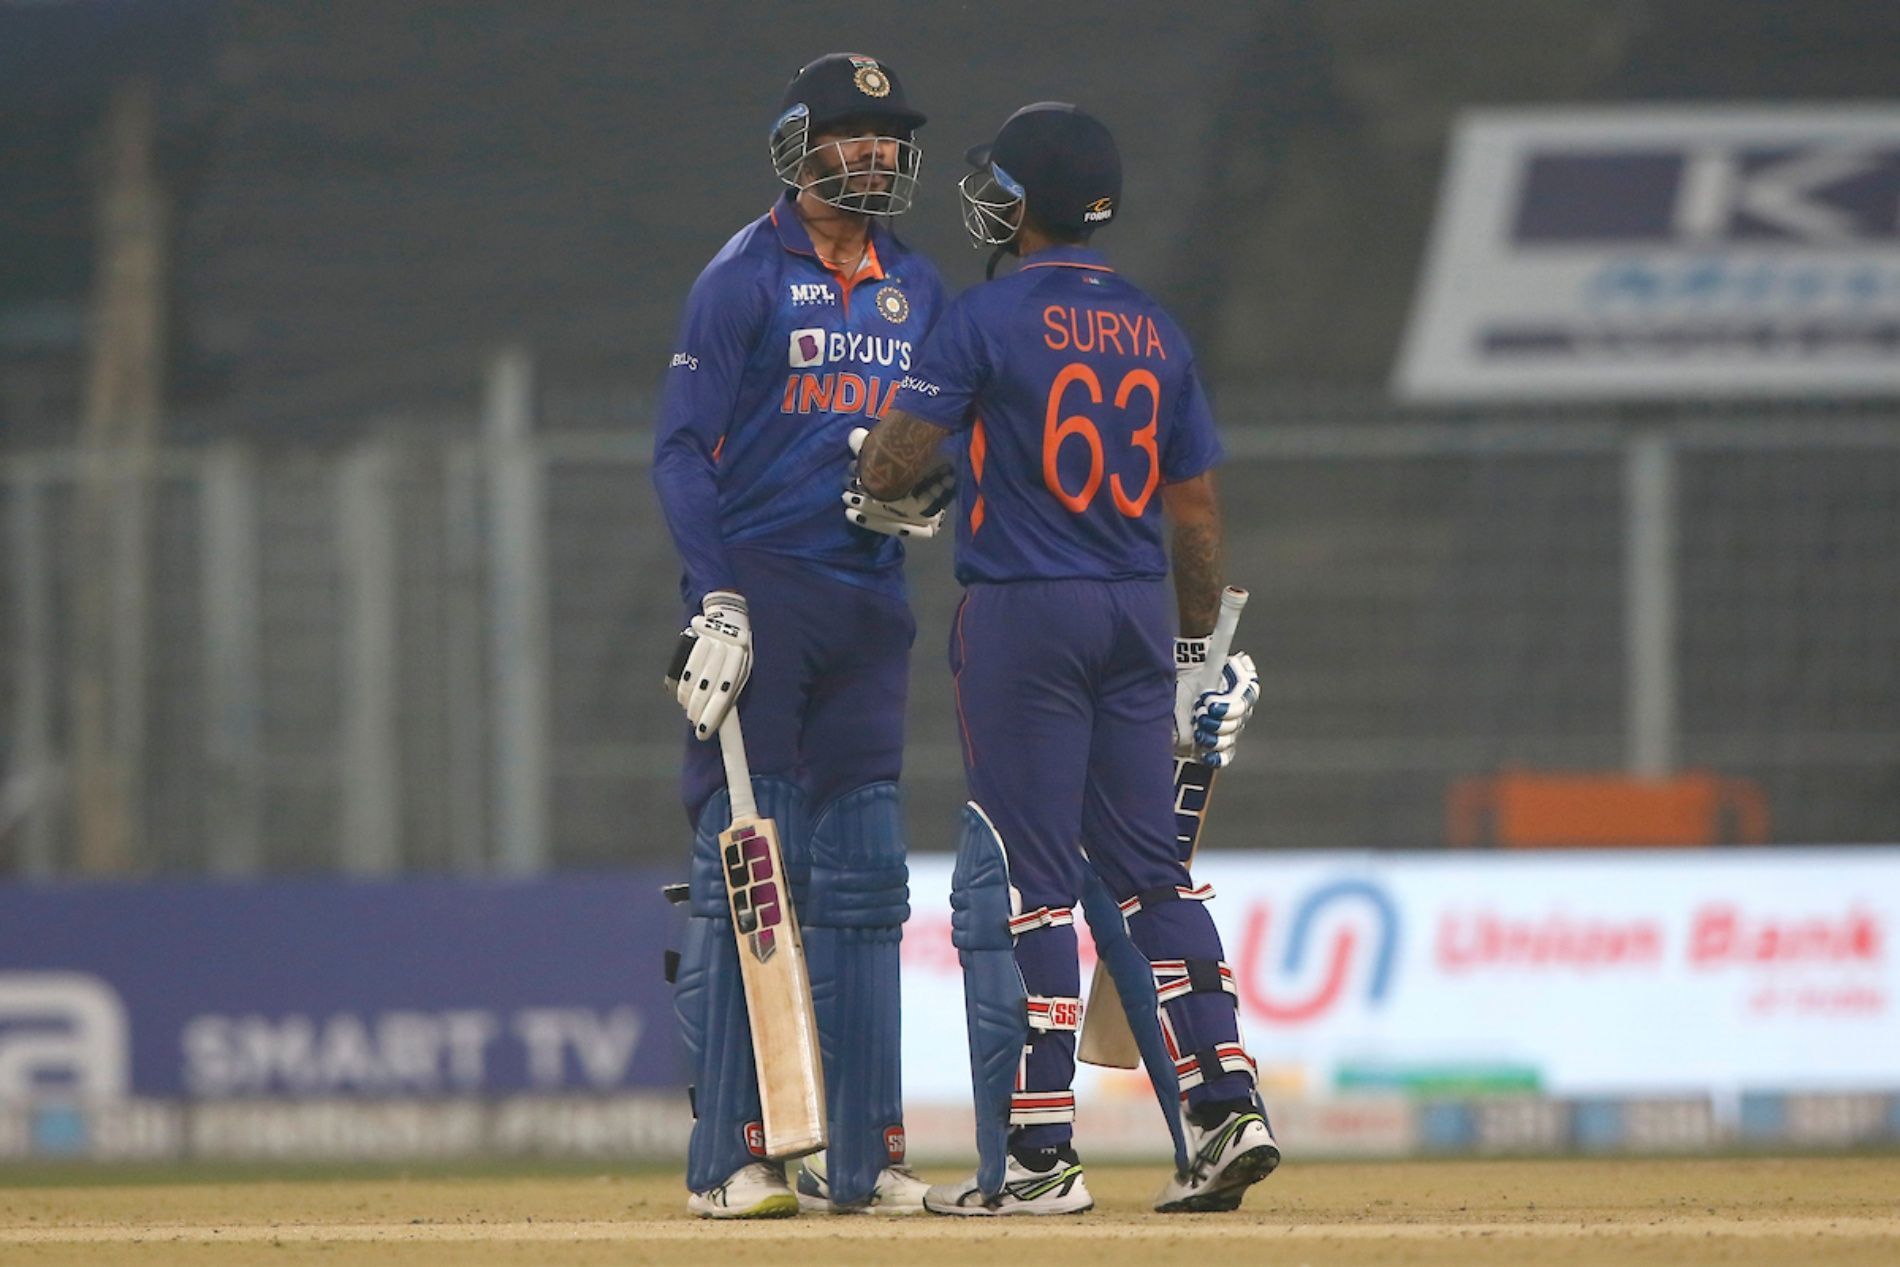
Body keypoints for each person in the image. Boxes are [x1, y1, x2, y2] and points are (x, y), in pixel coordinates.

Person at [853, 102, 1276, 1215]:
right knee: (1154, 875)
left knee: (1036, 884)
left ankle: (1043, 1157)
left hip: (1025, 615)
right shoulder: (1155, 326)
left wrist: (876, 460)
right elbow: (1192, 511)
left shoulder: (984, 317)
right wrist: (1192, 651)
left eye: (999, 180)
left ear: (1024, 200)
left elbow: (896, 464)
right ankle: (1227, 1102)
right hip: (1136, 610)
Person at [653, 51, 951, 1219]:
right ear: (801, 145)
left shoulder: (917, 287)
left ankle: (864, 1154)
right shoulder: (740, 278)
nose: (876, 152)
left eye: (889, 136)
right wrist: (713, 594)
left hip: (871, 599)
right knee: (751, 875)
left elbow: (941, 443)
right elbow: (680, 448)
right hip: (765, 596)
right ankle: (732, 1156)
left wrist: (925, 495)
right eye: (853, 134)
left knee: (870, 882)